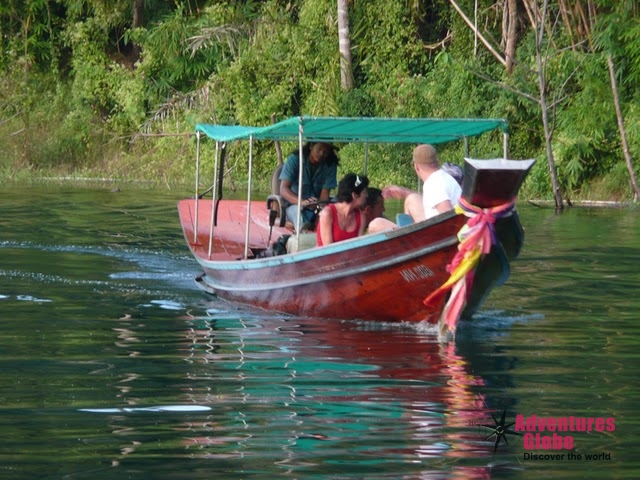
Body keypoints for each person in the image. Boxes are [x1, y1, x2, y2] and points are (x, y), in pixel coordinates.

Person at [368, 144, 462, 233]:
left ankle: (408, 240)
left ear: (416, 167)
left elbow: (448, 215)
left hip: (435, 234)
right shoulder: (443, 177)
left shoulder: (434, 183)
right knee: (412, 198)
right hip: (433, 227)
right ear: (437, 161)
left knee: (375, 224)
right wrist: (404, 192)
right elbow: (434, 201)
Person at [279, 142, 339, 231]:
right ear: (311, 146)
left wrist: (321, 209)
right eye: (319, 149)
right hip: (294, 205)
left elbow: (325, 193)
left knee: (330, 214)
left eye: (326, 151)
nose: (322, 154)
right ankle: (302, 236)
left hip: (315, 206)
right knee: (298, 216)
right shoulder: (295, 159)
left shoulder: (330, 165)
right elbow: (283, 189)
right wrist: (302, 202)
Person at [316, 173, 369, 247]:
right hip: (326, 257)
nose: (366, 196)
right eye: (364, 192)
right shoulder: (327, 213)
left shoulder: (361, 216)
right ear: (355, 195)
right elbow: (328, 250)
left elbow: (359, 248)